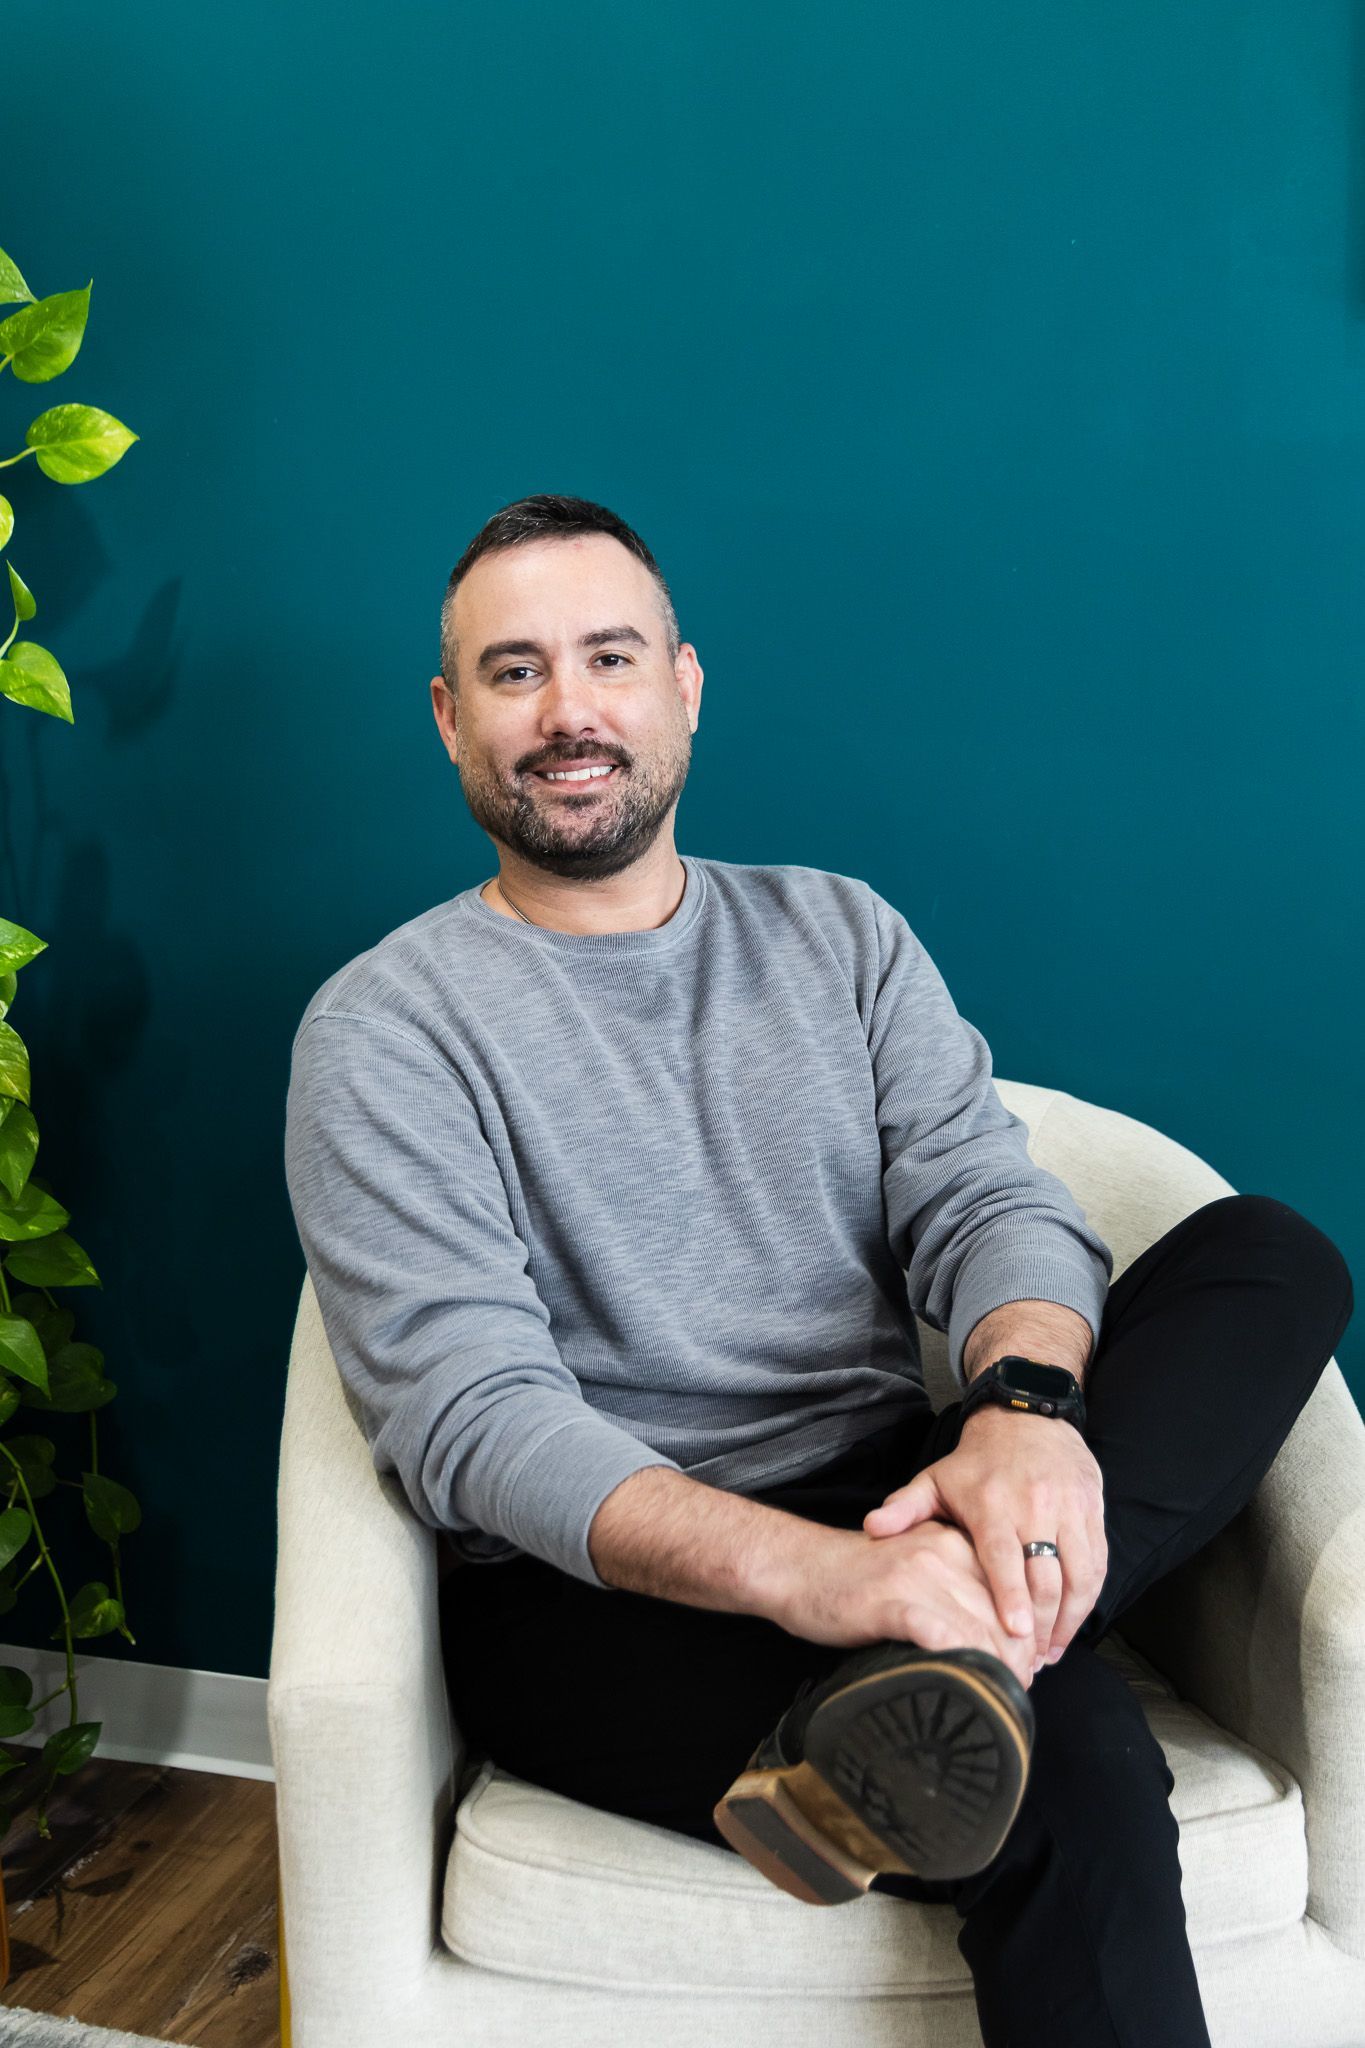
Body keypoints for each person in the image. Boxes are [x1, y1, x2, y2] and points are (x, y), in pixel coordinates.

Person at [283, 492, 1354, 2048]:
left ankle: (923, 1689)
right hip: (594, 1592)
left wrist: (1023, 1413)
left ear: (684, 686)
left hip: (886, 1482)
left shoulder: (837, 937)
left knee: (1269, 1255)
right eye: (514, 674)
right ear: (452, 720)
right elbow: (472, 1420)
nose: (569, 711)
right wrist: (827, 1582)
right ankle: (981, 1663)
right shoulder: (384, 1030)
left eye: (608, 657)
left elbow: (987, 1200)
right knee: (1076, 1767)